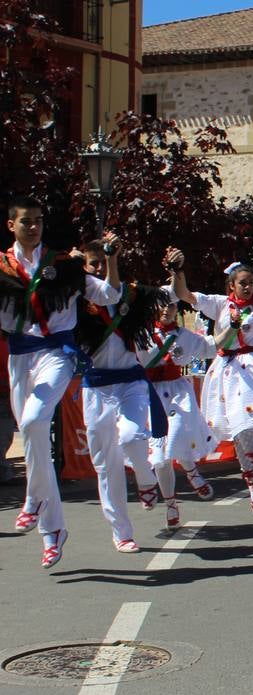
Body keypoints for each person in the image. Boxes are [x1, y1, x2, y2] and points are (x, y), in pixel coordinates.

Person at [1, 199, 123, 567]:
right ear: (12, 226)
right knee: (32, 432)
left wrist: (112, 259)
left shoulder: (63, 266)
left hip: (57, 354)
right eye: (26, 222)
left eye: (39, 221)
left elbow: (111, 295)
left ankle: (33, 499)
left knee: (36, 420)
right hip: (20, 358)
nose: (34, 227)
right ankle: (52, 531)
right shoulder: (2, 268)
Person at [166, 246, 253, 515]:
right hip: (227, 371)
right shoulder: (219, 303)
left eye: (250, 283)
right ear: (231, 285)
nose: (247, 287)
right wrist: (177, 270)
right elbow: (183, 294)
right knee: (239, 431)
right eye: (242, 283)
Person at [75, 238, 172, 555]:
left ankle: (145, 479)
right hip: (97, 387)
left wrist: (176, 270)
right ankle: (122, 533)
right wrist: (66, 266)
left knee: (132, 437)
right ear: (84, 268)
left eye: (105, 262)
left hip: (131, 381)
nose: (100, 268)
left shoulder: (133, 294)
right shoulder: (75, 301)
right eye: (94, 264)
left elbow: (171, 294)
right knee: (107, 466)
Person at [138, 299, 218, 531]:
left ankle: (191, 471)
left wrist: (231, 326)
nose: (166, 309)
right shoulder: (140, 333)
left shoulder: (185, 335)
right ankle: (171, 503)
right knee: (160, 458)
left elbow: (211, 346)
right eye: (161, 304)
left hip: (176, 392)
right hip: (149, 394)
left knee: (176, 438)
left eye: (171, 305)